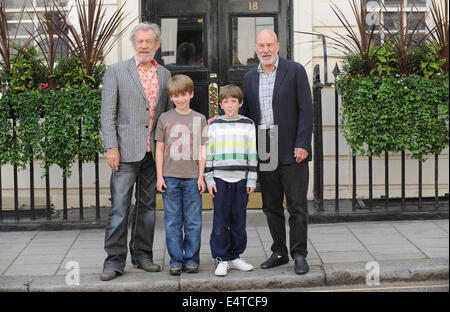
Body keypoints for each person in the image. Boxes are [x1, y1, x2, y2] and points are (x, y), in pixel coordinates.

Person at [99, 22, 172, 281]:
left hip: (153, 152)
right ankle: (114, 261)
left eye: (148, 41)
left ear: (157, 44)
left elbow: (166, 114)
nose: (144, 45)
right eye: (139, 41)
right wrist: (111, 147)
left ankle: (142, 256)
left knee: (148, 207)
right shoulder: (116, 71)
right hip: (126, 150)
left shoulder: (164, 74)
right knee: (119, 208)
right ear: (133, 43)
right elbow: (107, 113)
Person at [241, 29, 313, 274]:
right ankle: (279, 251)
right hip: (265, 145)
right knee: (271, 205)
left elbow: (306, 109)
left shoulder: (295, 71)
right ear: (255, 48)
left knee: (296, 205)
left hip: (293, 147)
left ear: (278, 46)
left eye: (269, 45)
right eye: (261, 45)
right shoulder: (250, 77)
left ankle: (299, 254)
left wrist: (302, 143)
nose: (265, 50)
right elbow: (248, 116)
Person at [155, 74, 208, 276]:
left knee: (194, 221)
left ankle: (192, 259)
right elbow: (159, 149)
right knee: (172, 222)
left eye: (184, 94)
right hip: (170, 178)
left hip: (193, 178)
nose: (180, 99)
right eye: (176, 95)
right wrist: (160, 176)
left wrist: (201, 175)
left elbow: (202, 149)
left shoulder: (199, 119)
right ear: (171, 97)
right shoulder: (165, 119)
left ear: (191, 94)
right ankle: (176, 260)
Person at [206, 84, 258, 277]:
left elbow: (253, 152)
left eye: (233, 101)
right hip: (220, 178)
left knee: (238, 219)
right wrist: (209, 179)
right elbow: (208, 153)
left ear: (240, 103)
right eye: (226, 101)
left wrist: (251, 180)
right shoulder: (214, 125)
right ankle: (222, 258)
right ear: (220, 104)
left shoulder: (248, 124)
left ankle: (235, 256)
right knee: (220, 220)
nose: (229, 105)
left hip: (241, 180)